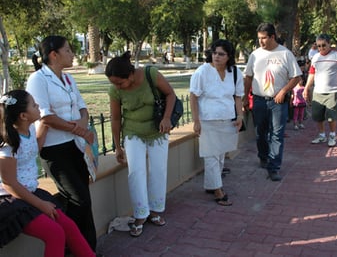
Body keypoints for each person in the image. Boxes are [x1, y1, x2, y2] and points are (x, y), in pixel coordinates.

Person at [0, 90, 95, 257]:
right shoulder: (8, 143)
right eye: (34, 105)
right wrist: (40, 204)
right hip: (13, 199)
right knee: (54, 234)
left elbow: (33, 147)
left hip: (30, 193)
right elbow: (9, 183)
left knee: (69, 227)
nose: (38, 107)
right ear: (23, 115)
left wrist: (45, 123)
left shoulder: (28, 129)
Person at [26, 35, 97, 250]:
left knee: (84, 198)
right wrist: (77, 128)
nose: (72, 54)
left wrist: (82, 126)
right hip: (54, 149)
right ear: (53, 55)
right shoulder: (38, 80)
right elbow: (45, 116)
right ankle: (72, 249)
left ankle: (88, 248)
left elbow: (82, 107)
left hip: (76, 145)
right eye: (67, 50)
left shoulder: (68, 79)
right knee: (78, 199)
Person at [105, 52, 175, 237]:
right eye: (113, 83)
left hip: (158, 130)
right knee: (136, 172)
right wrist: (118, 146)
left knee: (158, 170)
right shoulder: (115, 90)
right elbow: (115, 118)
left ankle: (155, 210)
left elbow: (170, 94)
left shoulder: (150, 74)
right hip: (133, 132)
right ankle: (140, 215)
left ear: (130, 75)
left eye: (119, 82)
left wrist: (167, 118)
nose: (116, 86)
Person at [243, 23, 302, 182]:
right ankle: (263, 157)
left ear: (272, 37)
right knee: (260, 133)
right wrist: (243, 97)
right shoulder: (255, 55)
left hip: (278, 102)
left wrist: (283, 91)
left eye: (264, 38)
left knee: (277, 135)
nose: (261, 42)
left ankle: (274, 167)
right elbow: (248, 76)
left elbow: (296, 77)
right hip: (259, 100)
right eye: (259, 39)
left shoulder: (285, 54)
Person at [190, 39, 244, 206]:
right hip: (208, 120)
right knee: (211, 155)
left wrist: (240, 117)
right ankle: (218, 191)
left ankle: (211, 185)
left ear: (229, 56)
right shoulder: (202, 72)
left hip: (227, 119)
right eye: (214, 53)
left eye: (221, 54)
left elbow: (238, 97)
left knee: (220, 154)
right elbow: (193, 96)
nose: (217, 57)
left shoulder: (234, 72)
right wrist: (196, 120)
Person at [303, 34, 337, 147]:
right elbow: (311, 74)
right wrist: (306, 88)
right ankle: (322, 135)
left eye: (324, 45)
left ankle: (332, 136)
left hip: (333, 91)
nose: (321, 48)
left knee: (331, 116)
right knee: (318, 115)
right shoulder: (315, 58)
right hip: (318, 91)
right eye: (319, 46)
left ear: (329, 44)